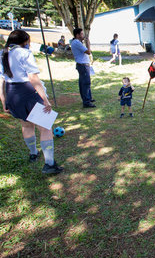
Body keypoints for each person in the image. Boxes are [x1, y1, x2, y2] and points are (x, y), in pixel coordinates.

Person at [0, 30, 63, 174]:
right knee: (45, 127)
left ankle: (33, 153)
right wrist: (45, 100)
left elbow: (1, 80)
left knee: (26, 125)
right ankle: (49, 164)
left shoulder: (2, 53)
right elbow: (33, 79)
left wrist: (3, 100)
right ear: (24, 41)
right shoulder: (24, 53)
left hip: (12, 92)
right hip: (27, 92)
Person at [71, 28, 95, 108]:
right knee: (85, 83)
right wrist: (88, 43)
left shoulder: (76, 42)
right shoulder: (77, 43)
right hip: (83, 65)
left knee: (83, 83)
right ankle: (86, 101)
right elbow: (88, 52)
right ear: (77, 35)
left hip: (82, 65)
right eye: (81, 34)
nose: (83, 35)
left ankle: (88, 98)